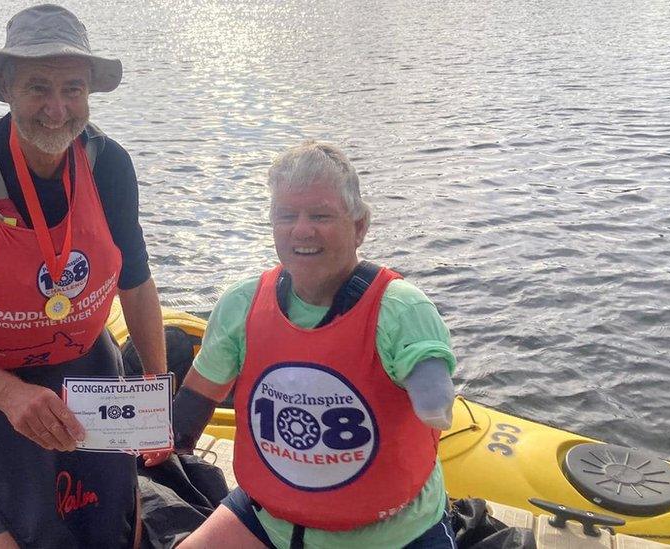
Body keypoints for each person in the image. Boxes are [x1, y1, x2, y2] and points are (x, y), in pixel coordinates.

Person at [0, 5, 166, 548]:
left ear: (90, 93)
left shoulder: (109, 165)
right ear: (6, 89)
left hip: (83, 358)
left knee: (115, 533)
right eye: (38, 88)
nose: (57, 109)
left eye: (73, 89)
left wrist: (154, 391)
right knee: (22, 534)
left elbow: (134, 282)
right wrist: (10, 395)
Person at [149, 142, 457, 548]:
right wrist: (147, 437)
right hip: (268, 518)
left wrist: (431, 387)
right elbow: (195, 401)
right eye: (286, 215)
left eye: (320, 215)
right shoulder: (242, 303)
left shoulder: (400, 309)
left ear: (360, 226)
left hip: (393, 534)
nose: (302, 229)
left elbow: (434, 394)